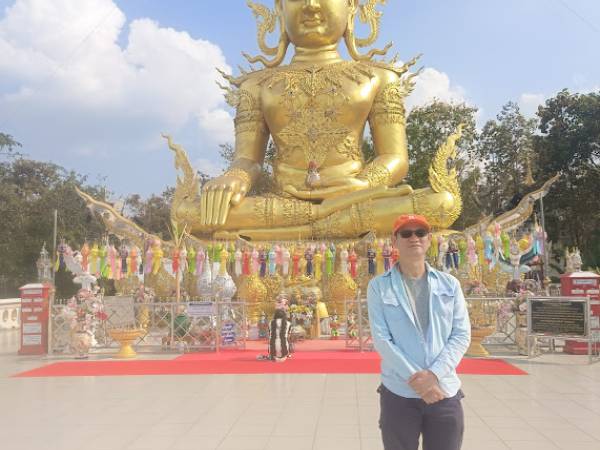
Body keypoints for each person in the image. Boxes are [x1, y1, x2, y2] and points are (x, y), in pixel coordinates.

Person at [367, 214, 471, 450]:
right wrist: (419, 381)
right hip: (399, 392)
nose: (414, 238)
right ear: (394, 241)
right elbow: (382, 340)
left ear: (429, 239)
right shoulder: (378, 286)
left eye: (420, 233)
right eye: (406, 233)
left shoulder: (449, 284)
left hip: (443, 389)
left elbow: (461, 335)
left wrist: (433, 376)